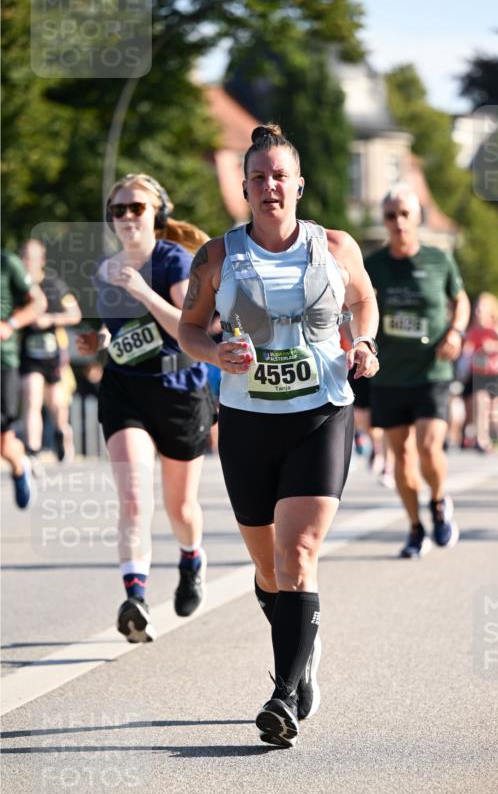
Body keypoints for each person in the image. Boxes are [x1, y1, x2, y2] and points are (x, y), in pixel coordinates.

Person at [178, 123, 379, 748]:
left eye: (280, 176)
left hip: (320, 413)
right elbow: (189, 329)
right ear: (244, 187)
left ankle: (283, 695)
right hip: (246, 422)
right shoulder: (216, 256)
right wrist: (215, 352)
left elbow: (364, 301)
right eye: (258, 177)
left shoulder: (335, 246)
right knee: (268, 569)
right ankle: (303, 648)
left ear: (299, 185)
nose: (270, 186)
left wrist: (364, 343)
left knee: (299, 555)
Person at [76, 174, 216, 642]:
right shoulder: (104, 269)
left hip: (179, 389)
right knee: (134, 496)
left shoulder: (175, 261)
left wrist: (142, 291)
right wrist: (98, 340)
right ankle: (135, 599)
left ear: (158, 213)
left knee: (181, 508)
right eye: (118, 210)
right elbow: (117, 331)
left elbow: (190, 330)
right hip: (125, 388)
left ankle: (192, 558)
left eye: (137, 207)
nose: (127, 217)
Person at [365, 184, 470, 558]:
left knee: (427, 446)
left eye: (405, 214)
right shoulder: (374, 265)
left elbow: (461, 301)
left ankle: (439, 502)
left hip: (432, 371)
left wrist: (456, 332)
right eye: (391, 216)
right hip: (389, 374)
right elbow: (357, 304)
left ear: (418, 217)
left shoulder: (439, 260)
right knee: (402, 457)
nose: (398, 222)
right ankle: (414, 527)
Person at [19, 239, 82, 464]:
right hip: (28, 353)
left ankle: (62, 434)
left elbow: (75, 315)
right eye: (24, 257)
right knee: (31, 397)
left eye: (32, 258)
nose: (28, 262)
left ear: (42, 260)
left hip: (53, 353)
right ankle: (33, 451)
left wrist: (49, 319)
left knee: (56, 403)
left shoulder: (55, 284)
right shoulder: (17, 284)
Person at [0, 249, 47, 507]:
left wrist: (11, 325)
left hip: (3, 361)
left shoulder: (7, 262)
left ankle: (19, 466)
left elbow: (38, 303)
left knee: (4, 443)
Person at [462, 293, 498, 453]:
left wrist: (493, 346)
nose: (478, 311)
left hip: (497, 374)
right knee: (480, 403)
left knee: (494, 411)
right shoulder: (474, 329)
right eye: (476, 308)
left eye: (482, 308)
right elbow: (466, 350)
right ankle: (481, 439)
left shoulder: (497, 328)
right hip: (478, 373)